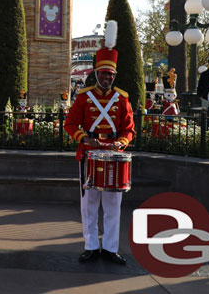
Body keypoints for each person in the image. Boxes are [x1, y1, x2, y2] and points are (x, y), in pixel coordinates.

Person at [64, 21, 135, 265]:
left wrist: (122, 142)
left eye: (110, 74)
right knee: (89, 204)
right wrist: (84, 138)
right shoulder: (84, 97)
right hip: (88, 155)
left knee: (113, 205)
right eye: (102, 74)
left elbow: (129, 129)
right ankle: (91, 245)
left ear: (114, 76)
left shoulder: (122, 99)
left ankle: (111, 248)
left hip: (113, 156)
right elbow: (70, 124)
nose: (106, 78)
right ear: (96, 74)